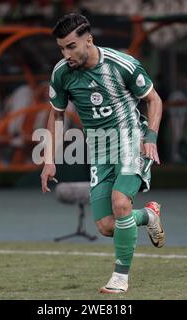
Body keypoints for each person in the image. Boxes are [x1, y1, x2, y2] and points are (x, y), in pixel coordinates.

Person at [40, 13, 165, 294]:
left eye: (71, 46)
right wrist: (49, 160)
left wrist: (151, 137)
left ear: (89, 40)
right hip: (99, 149)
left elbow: (154, 100)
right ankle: (148, 216)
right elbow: (57, 116)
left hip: (131, 141)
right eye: (61, 48)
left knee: (120, 203)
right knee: (108, 226)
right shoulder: (62, 73)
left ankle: (120, 278)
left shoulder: (122, 65)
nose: (66, 53)